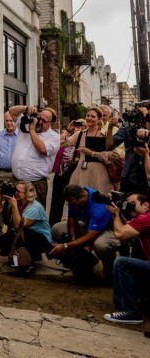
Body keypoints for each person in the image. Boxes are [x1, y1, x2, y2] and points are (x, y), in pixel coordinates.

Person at [49, 184, 120, 279]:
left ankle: (109, 269)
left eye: (71, 202)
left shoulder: (98, 205)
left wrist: (66, 245)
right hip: (90, 226)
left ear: (83, 196)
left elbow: (91, 235)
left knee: (99, 244)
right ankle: (80, 261)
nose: (70, 204)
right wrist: (72, 238)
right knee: (57, 229)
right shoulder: (74, 196)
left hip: (109, 230)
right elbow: (72, 217)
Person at [103, 192, 150, 325]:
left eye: (133, 204)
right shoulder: (144, 218)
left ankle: (130, 311)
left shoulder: (146, 217)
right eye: (127, 204)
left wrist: (116, 214)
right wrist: (115, 212)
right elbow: (126, 226)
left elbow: (120, 233)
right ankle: (130, 305)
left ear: (146, 205)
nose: (129, 207)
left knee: (122, 262)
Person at [0, 181, 53, 273]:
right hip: (24, 235)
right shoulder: (17, 201)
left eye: (18, 191)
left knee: (16, 235)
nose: (15, 193)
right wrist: (2, 193)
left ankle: (30, 260)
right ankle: (21, 256)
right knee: (1, 241)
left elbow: (19, 226)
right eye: (14, 190)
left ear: (28, 194)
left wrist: (14, 207)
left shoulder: (35, 207)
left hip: (41, 239)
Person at [9, 105, 60, 209]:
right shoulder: (26, 126)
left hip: (35, 184)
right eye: (39, 118)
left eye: (44, 121)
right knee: (14, 213)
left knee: (34, 216)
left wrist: (32, 130)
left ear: (51, 124)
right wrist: (27, 108)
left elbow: (42, 149)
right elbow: (12, 111)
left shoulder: (54, 137)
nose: (40, 122)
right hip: (16, 180)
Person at [66, 107, 118, 193]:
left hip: (99, 174)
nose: (89, 118)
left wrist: (93, 153)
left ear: (99, 119)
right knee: (79, 200)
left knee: (97, 200)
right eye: (88, 115)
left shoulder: (104, 135)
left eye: (93, 116)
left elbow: (114, 155)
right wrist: (68, 130)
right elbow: (61, 144)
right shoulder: (80, 134)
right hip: (80, 173)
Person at [49, 119, 85, 226]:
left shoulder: (84, 139)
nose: (78, 128)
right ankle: (53, 225)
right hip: (61, 174)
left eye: (81, 126)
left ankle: (74, 225)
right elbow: (56, 144)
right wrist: (68, 130)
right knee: (56, 203)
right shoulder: (67, 139)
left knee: (74, 202)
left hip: (76, 175)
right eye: (76, 125)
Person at [0, 111, 18, 242]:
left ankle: (12, 229)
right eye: (7, 120)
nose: (9, 123)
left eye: (12, 120)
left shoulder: (22, 137)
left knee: (14, 203)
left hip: (16, 174)